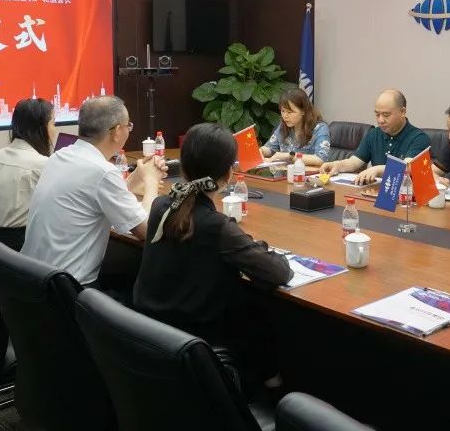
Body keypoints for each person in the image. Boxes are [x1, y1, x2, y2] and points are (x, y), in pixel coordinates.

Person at [133, 122, 292, 393]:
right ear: (229, 173)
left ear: (183, 166)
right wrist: (257, 245)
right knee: (252, 314)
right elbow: (278, 272)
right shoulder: (217, 226)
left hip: (149, 333)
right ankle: (275, 394)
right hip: (194, 342)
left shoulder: (161, 206)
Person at [22, 96, 165, 288]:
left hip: (34, 279)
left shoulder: (60, 156)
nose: (129, 130)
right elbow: (146, 230)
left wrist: (137, 176)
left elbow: (97, 195)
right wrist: (151, 181)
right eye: (128, 126)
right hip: (68, 289)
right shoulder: (102, 171)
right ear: (116, 132)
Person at [0, 98, 55, 250]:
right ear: (41, 128)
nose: (55, 129)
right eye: (53, 123)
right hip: (18, 245)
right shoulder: (41, 164)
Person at [319, 89, 430, 184]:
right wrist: (337, 165)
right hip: (374, 191)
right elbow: (354, 162)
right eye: (377, 114)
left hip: (404, 195)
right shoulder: (374, 134)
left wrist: (377, 169)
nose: (380, 120)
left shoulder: (419, 138)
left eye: (386, 115)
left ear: (402, 112)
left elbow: (406, 168)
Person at [259, 88, 331, 166]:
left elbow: (321, 159)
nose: (285, 116)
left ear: (303, 111)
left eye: (290, 112)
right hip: (284, 172)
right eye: (283, 111)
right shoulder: (283, 126)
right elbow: (270, 148)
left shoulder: (320, 128)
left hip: (306, 172)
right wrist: (261, 151)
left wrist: (290, 156)